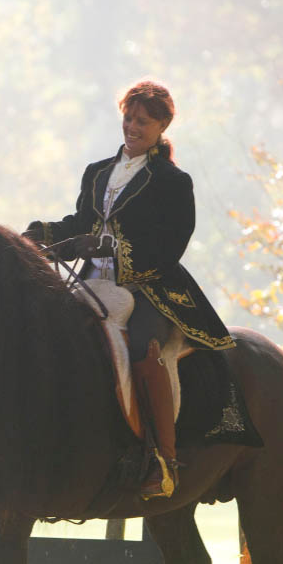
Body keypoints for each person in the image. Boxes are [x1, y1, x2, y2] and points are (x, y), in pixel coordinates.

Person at [23, 80, 233, 500]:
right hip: (91, 283)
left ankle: (163, 459)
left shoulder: (173, 182)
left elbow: (170, 246)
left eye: (143, 121)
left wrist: (111, 248)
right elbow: (80, 222)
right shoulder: (97, 172)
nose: (132, 127)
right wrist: (39, 235)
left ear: (162, 126)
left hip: (150, 287)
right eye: (128, 118)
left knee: (143, 346)